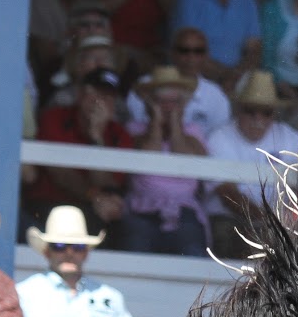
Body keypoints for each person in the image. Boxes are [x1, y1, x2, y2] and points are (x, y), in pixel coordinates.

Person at [202, 71, 298, 257]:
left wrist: (290, 220)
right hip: (232, 218)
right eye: (251, 111)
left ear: (274, 114)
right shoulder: (219, 137)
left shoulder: (289, 137)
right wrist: (268, 221)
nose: (258, 119)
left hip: (280, 222)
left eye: (266, 113)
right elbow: (227, 193)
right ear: (239, 109)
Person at [29, 67, 133, 235]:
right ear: (79, 94)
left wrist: (96, 138)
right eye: (93, 93)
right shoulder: (54, 118)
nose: (98, 101)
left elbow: (107, 185)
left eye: (107, 97)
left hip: (94, 209)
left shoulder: (120, 135)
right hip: (49, 202)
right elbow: (60, 173)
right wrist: (93, 196)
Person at [121, 65, 209, 256]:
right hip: (141, 207)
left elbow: (183, 155)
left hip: (184, 208)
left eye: (174, 102)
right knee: (137, 249)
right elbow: (148, 153)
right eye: (161, 101)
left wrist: (176, 123)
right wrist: (156, 121)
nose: (168, 107)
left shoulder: (193, 131)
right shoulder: (134, 129)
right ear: (149, 103)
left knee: (192, 250)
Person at [127, 26, 232, 135]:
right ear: (172, 53)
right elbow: (135, 130)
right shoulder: (144, 86)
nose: (191, 57)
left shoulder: (217, 97)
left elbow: (216, 142)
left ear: (206, 55)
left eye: (198, 51)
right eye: (184, 51)